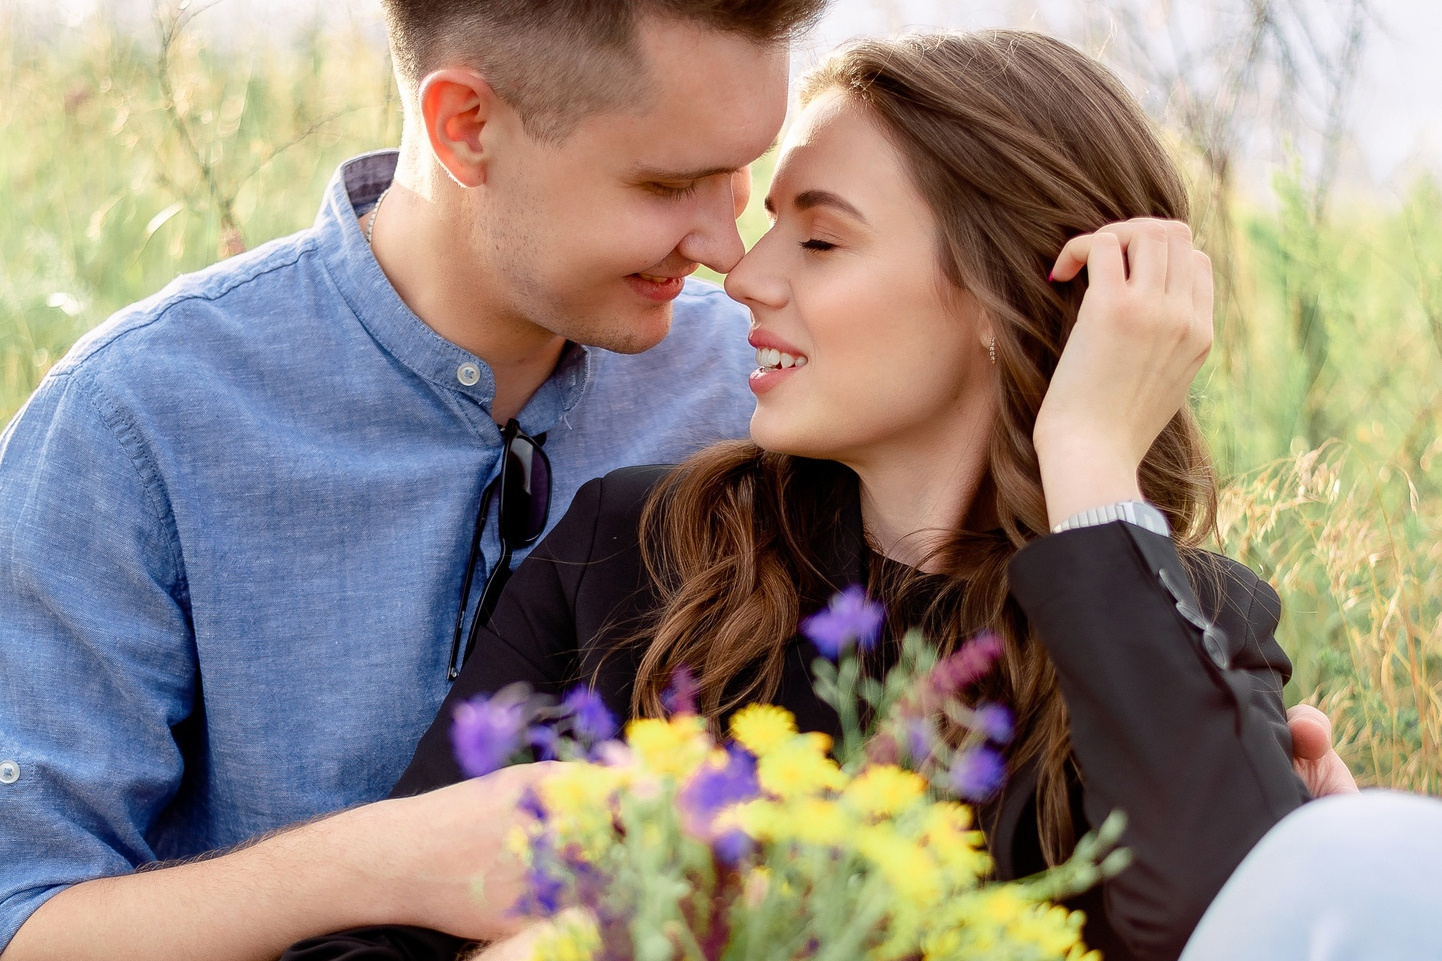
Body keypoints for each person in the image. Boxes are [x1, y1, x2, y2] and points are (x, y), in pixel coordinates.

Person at [287, 30, 1313, 961]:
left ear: (1005, 294)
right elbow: (369, 939)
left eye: (819, 241)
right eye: (770, 223)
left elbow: (1258, 929)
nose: (742, 276)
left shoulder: (1181, 628)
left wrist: (1087, 462)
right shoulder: (640, 554)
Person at [0, 1, 829, 958]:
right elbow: (25, 916)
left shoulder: (765, 391)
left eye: (737, 175)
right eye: (665, 184)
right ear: (465, 127)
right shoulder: (134, 420)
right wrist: (388, 858)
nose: (726, 249)